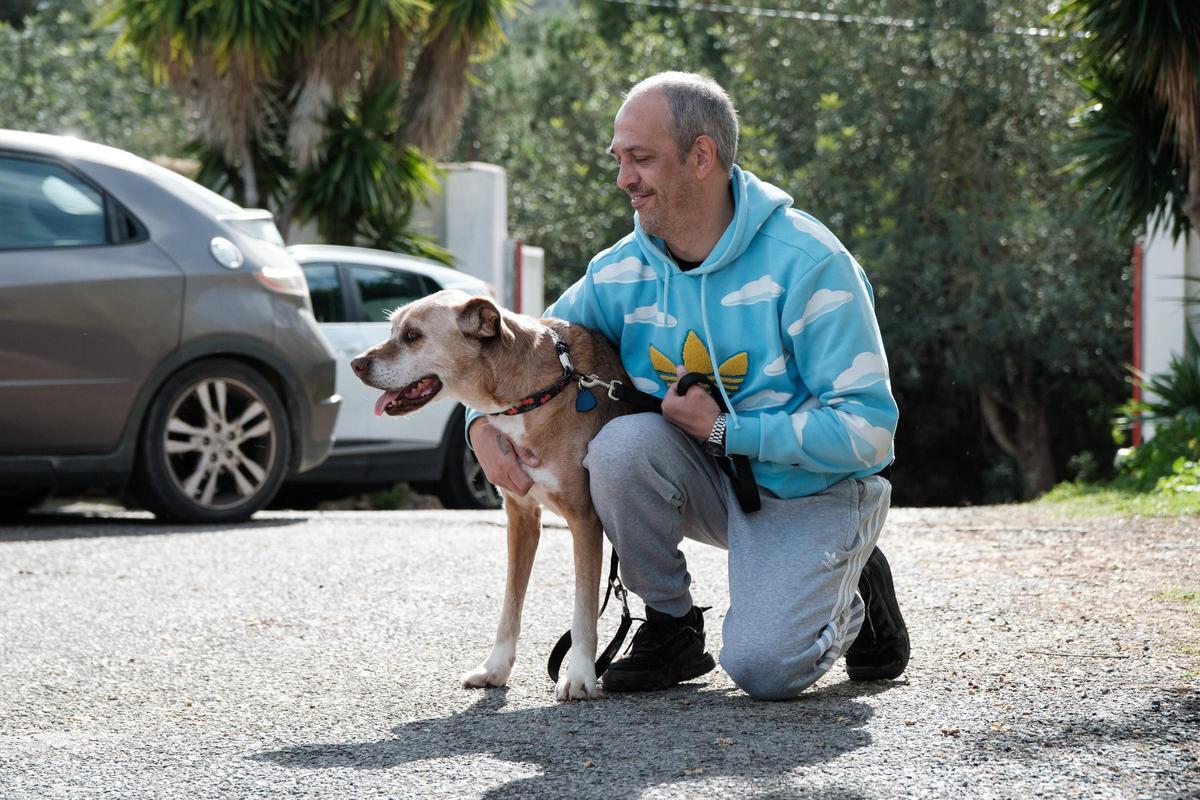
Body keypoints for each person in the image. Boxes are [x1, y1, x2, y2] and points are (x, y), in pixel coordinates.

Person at [467, 71, 908, 700]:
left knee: (765, 669)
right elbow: (523, 350)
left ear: (701, 157)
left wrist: (729, 429)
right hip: (713, 484)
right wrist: (479, 426)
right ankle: (672, 624)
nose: (624, 179)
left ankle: (848, 576)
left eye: (641, 159)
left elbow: (869, 433)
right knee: (619, 449)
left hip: (812, 489)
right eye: (619, 159)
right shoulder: (619, 271)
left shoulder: (810, 263)